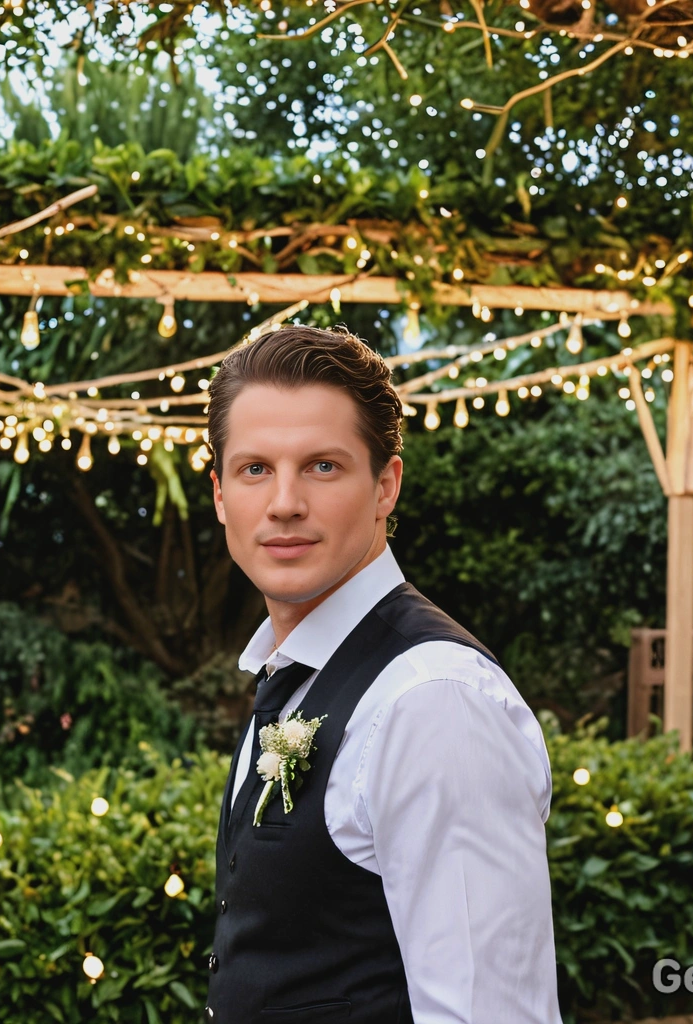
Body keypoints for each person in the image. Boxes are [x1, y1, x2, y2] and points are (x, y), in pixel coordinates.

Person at [202, 324, 561, 1023]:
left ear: (385, 485)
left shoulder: (432, 702)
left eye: (322, 466)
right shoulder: (297, 674)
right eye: (254, 469)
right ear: (220, 495)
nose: (283, 503)